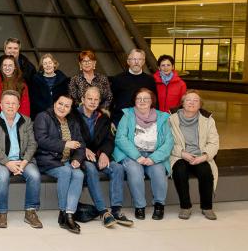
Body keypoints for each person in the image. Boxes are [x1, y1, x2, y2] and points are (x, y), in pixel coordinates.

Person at [75, 86, 133, 227]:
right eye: (90, 98)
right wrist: (84, 149)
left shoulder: (103, 117)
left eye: (96, 99)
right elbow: (70, 136)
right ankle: (103, 211)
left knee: (118, 168)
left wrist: (105, 154)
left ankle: (116, 210)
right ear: (83, 99)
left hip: (100, 154)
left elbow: (109, 139)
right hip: (81, 156)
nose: (93, 102)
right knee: (91, 169)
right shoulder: (73, 115)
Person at [113, 88, 173, 220]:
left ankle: (159, 205)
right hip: (132, 154)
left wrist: (154, 158)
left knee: (159, 172)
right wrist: (137, 156)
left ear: (152, 101)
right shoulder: (127, 115)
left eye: (146, 98)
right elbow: (120, 138)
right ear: (134, 101)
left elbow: (168, 142)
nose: (142, 101)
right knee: (135, 172)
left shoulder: (162, 117)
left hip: (154, 154)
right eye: (139, 98)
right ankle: (139, 206)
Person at [0, 90, 42, 229]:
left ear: (18, 106)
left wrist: (24, 162)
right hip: (1, 160)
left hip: (22, 159)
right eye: (7, 103)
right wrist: (7, 163)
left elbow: (32, 144)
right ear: (1, 105)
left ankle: (30, 212)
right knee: (3, 176)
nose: (10, 106)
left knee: (35, 175)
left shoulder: (26, 120)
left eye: (13, 103)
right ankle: (2, 213)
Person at [34, 94, 86, 234]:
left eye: (67, 106)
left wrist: (77, 159)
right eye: (60, 104)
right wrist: (65, 144)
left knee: (79, 175)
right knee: (65, 172)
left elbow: (80, 144)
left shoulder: (72, 121)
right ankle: (63, 213)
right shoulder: (43, 117)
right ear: (54, 103)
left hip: (67, 161)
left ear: (70, 109)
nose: (63, 108)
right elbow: (41, 140)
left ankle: (69, 213)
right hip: (47, 160)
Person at [170, 90, 219, 220]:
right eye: (188, 100)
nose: (191, 103)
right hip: (179, 155)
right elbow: (167, 142)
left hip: (200, 154)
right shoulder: (171, 119)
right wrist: (182, 153)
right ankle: (185, 207)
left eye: (195, 100)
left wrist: (204, 156)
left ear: (200, 104)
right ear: (182, 103)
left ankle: (207, 207)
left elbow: (214, 142)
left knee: (206, 172)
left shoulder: (208, 120)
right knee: (179, 171)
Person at [110, 48, 157, 125]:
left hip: (144, 122)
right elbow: (111, 101)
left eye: (140, 59)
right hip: (121, 121)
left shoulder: (150, 80)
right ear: (128, 61)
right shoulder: (118, 79)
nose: (136, 62)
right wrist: (112, 120)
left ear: (143, 62)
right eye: (134, 59)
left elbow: (154, 102)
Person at [30, 53, 69, 119]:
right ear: (42, 66)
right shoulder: (35, 80)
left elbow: (66, 98)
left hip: (60, 114)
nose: (48, 65)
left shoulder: (63, 80)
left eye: (50, 63)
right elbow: (35, 100)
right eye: (45, 63)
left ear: (54, 64)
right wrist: (48, 111)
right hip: (41, 115)